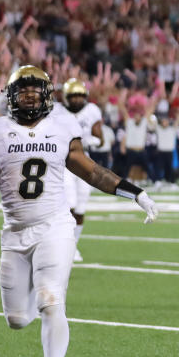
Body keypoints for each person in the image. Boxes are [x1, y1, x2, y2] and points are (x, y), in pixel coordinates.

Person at [0, 65, 158, 357]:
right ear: (11, 96)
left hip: (55, 226)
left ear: (47, 96)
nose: (29, 95)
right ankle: (39, 297)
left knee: (50, 300)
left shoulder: (62, 127)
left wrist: (134, 193)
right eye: (23, 90)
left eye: (36, 89)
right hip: (15, 232)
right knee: (17, 319)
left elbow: (92, 172)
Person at [61, 78, 104, 262]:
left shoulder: (92, 110)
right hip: (65, 160)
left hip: (85, 159)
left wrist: (94, 141)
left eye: (80, 95)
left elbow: (99, 136)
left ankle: (73, 247)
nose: (77, 99)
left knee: (81, 206)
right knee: (68, 205)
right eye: (73, 96)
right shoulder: (56, 111)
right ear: (65, 97)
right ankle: (64, 246)